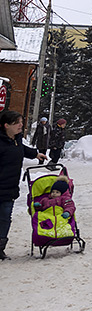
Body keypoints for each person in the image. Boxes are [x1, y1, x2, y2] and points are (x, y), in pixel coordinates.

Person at [1, 111, 45, 261]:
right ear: (6, 126)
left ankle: (0, 249)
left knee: (5, 219)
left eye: (21, 122)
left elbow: (22, 150)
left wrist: (35, 154)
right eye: (17, 123)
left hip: (10, 188)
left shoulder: (17, 139)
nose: (21, 125)